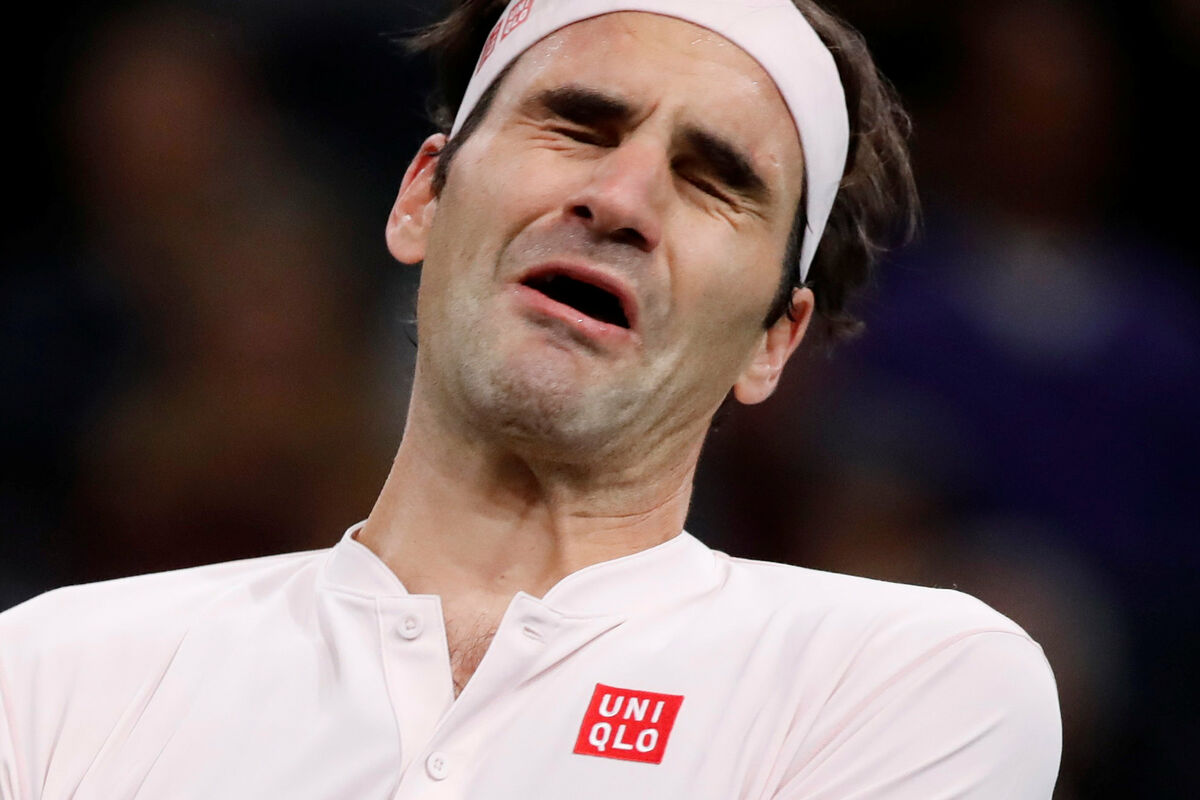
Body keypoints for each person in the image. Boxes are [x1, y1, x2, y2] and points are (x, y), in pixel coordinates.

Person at [0, 0, 1062, 797]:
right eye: (578, 127)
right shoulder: (52, 673)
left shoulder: (901, 679)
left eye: (712, 180)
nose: (621, 199)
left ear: (771, 340)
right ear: (423, 198)